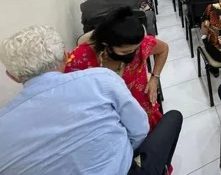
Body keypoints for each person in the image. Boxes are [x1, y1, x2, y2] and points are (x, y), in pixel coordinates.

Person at [0, 25, 180, 175]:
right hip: (126, 169)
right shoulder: (100, 78)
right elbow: (139, 130)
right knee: (173, 117)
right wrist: (119, 153)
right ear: (65, 56)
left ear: (13, 76)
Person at [66, 7, 169, 130]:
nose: (133, 53)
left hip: (141, 108)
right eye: (125, 51)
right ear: (106, 45)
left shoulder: (137, 44)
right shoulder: (81, 57)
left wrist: (154, 78)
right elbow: (65, 87)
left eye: (135, 49)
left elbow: (163, 49)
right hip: (107, 118)